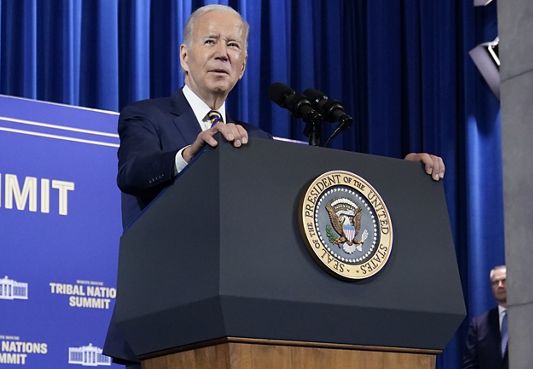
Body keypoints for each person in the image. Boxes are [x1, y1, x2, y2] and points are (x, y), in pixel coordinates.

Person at [115, 4, 445, 230]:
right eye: (210, 41)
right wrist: (189, 153)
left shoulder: (256, 140)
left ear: (242, 67)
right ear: (185, 57)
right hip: (160, 308)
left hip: (235, 317)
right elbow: (132, 173)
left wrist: (403, 179)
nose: (222, 53)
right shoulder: (145, 116)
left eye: (233, 45)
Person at [462, 265, 510, 369]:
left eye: (504, 281)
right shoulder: (479, 324)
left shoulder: (527, 321)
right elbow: (469, 367)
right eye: (495, 282)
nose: (500, 285)